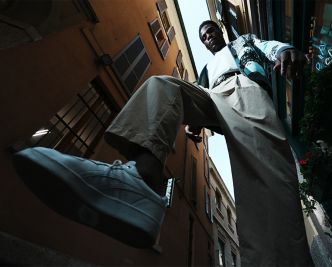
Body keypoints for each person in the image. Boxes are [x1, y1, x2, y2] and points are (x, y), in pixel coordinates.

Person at [13, 20, 313, 266]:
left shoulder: (242, 42)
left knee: (266, 177)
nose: (208, 39)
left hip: (245, 89)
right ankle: (141, 182)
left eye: (211, 33)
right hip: (216, 94)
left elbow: (266, 46)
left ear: (220, 33)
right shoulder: (206, 73)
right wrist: (197, 120)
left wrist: (285, 49)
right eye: (204, 37)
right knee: (163, 85)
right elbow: (200, 96)